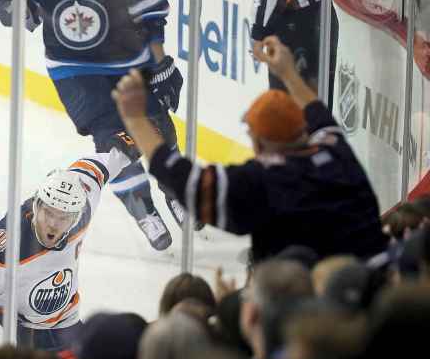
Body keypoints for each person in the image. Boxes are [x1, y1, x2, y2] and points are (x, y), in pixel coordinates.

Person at [112, 36, 389, 262]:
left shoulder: (262, 182)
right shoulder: (336, 148)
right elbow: (315, 110)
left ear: (259, 143)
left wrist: (135, 119)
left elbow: (185, 181)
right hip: (377, 277)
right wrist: (288, 73)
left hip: (319, 308)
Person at [0, 0, 186, 251]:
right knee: (111, 140)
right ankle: (143, 209)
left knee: (157, 125)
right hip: (74, 71)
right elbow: (16, 16)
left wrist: (160, 63)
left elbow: (151, 10)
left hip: (129, 55)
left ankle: (176, 189)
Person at [0, 149, 129, 359]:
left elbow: (101, 164)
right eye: (48, 212)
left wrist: (141, 132)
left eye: (63, 217)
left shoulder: (84, 200)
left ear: (76, 217)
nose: (53, 223)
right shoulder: (7, 243)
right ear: (36, 205)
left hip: (62, 325)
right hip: (8, 323)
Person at [251, 0, 339, 111]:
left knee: (289, 101)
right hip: (324, 15)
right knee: (321, 93)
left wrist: (258, 32)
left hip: (296, 22)